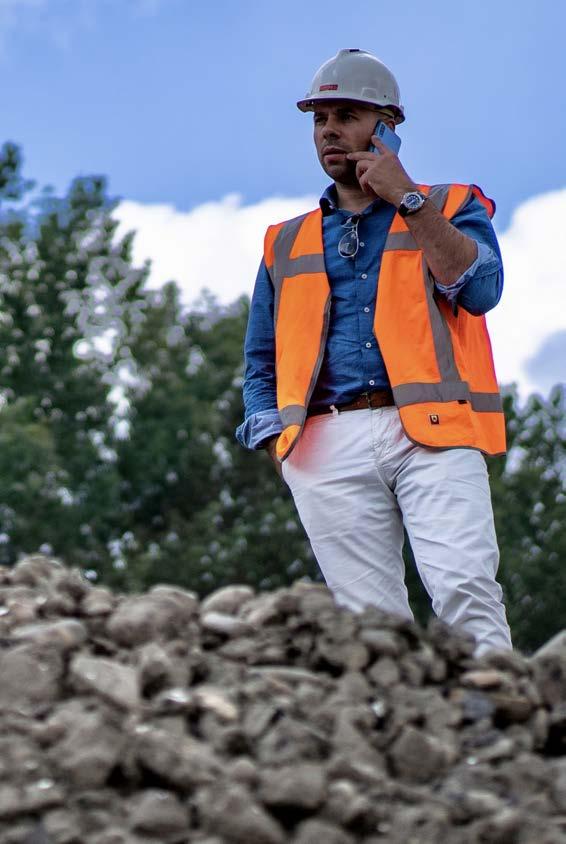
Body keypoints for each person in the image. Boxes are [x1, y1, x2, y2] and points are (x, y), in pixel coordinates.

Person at [235, 48, 512, 656]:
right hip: (323, 445)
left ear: (386, 127)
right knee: (371, 628)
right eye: (319, 119)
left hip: (434, 431)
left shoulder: (450, 205)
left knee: (465, 589)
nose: (329, 130)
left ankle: (495, 712)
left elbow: (481, 291)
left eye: (347, 116)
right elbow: (261, 361)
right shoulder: (285, 241)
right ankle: (401, 718)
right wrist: (275, 442)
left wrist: (407, 198)